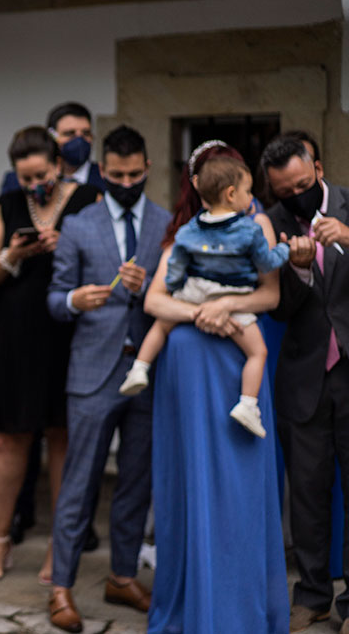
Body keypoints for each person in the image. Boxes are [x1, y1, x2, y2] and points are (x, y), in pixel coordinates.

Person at [146, 140, 288, 633]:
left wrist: (223, 307)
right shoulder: (183, 236)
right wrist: (201, 312)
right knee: (190, 483)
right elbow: (154, 302)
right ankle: (191, 605)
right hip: (187, 367)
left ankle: (238, 609)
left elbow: (270, 293)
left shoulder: (257, 227)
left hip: (236, 365)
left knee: (239, 485)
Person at [45, 125, 168, 632]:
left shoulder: (165, 223)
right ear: (102, 172)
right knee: (80, 483)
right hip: (93, 372)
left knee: (136, 482)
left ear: (147, 169)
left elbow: (177, 294)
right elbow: (53, 299)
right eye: (116, 175)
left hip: (147, 371)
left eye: (134, 174)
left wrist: (145, 293)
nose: (125, 181)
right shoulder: (79, 224)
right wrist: (77, 299)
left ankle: (121, 575)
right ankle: (61, 588)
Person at [0, 127, 99, 588]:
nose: (34, 184)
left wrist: (64, 244)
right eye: (25, 178)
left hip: (69, 335)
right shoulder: (6, 206)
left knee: (62, 436)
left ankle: (59, 545)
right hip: (15, 334)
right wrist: (13, 253)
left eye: (41, 174)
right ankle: (0, 540)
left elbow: (103, 259)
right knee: (9, 439)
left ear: (58, 164)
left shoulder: (89, 199)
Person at [120, 156, 290, 439]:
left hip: (196, 292)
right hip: (232, 295)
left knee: (161, 325)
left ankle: (139, 367)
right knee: (257, 352)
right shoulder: (250, 230)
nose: (252, 198)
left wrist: (176, 287)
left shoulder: (188, 230)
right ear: (232, 194)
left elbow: (175, 266)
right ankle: (248, 404)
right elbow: (266, 262)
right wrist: (285, 250)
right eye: (248, 191)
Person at [261, 135, 349, 633]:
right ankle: (313, 594)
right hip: (303, 378)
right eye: (284, 190)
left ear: (318, 167)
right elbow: (279, 309)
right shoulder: (269, 224)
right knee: (308, 495)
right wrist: (297, 271)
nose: (296, 194)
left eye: (303, 183)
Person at [0, 102, 107, 195]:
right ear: (51, 137)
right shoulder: (16, 181)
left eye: (86, 133)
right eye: (69, 133)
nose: (79, 140)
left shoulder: (106, 176)